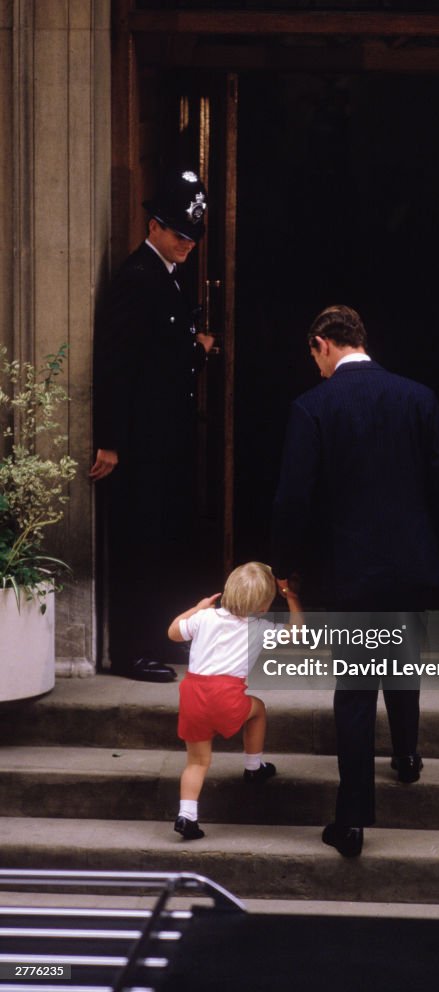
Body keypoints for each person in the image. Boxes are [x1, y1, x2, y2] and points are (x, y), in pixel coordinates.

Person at [271, 305, 439, 857]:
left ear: (322, 344)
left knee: (356, 691)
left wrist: (284, 565)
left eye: (312, 355)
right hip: (413, 566)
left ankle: (352, 819)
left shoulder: (312, 407)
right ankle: (406, 757)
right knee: (402, 661)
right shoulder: (418, 397)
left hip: (350, 571)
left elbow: (293, 498)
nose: (313, 366)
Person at [90, 168, 214, 682]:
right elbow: (117, 364)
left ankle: (163, 638)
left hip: (168, 436)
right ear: (155, 225)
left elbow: (164, 355)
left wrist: (197, 352)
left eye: (193, 236)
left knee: (166, 537)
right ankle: (131, 649)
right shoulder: (135, 277)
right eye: (180, 234)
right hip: (140, 439)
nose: (188, 244)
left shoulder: (171, 276)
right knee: (139, 541)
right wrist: (112, 441)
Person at [167, 561, 302, 840]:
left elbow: (173, 631)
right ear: (264, 606)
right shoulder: (260, 627)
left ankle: (186, 815)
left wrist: (199, 607)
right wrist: (291, 596)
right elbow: (298, 632)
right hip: (227, 696)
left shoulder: (205, 618)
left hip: (193, 696)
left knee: (197, 762)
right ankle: (253, 767)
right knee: (258, 709)